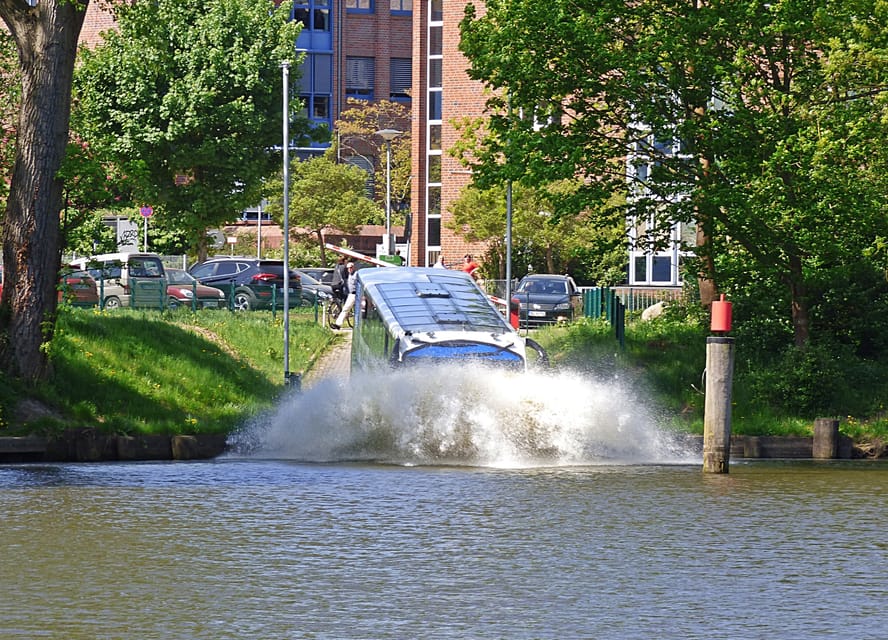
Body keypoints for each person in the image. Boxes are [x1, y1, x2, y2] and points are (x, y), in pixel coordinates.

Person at [332, 261, 357, 329]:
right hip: (351, 294)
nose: (349, 269)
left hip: (357, 294)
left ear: (354, 267)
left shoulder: (356, 275)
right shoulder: (349, 275)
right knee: (345, 309)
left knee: (360, 311)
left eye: (351, 268)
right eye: (348, 268)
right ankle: (338, 324)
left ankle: (359, 325)